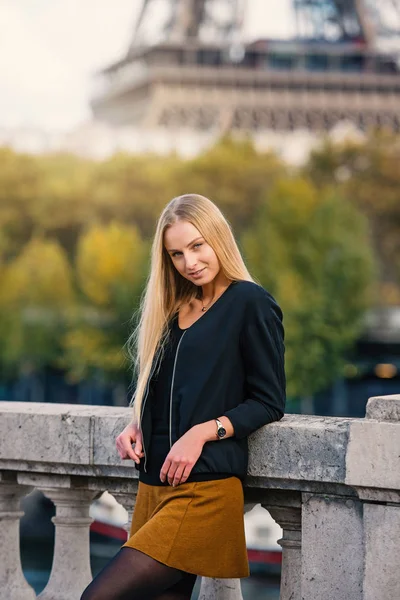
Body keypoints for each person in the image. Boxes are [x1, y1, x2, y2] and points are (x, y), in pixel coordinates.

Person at [80, 194, 286, 600]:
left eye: (197, 246)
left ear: (218, 238)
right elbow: (165, 389)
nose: (189, 262)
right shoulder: (174, 309)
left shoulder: (251, 303)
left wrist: (203, 433)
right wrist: (137, 423)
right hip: (153, 487)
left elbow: (269, 400)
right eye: (176, 254)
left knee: (97, 597)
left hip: (203, 490)